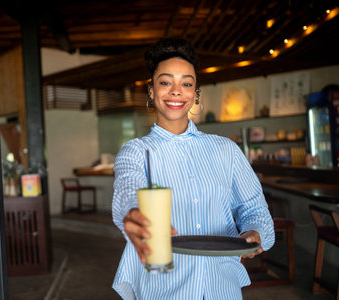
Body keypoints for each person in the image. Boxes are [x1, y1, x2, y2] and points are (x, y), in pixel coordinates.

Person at [111, 37, 275, 300]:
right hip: (163, 287)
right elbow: (128, 190)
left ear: (195, 93)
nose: (176, 91)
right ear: (151, 91)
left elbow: (254, 208)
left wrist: (253, 232)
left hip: (221, 285)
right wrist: (133, 213)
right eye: (166, 82)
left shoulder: (226, 150)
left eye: (186, 83)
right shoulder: (136, 151)